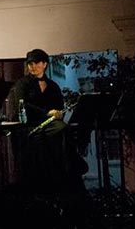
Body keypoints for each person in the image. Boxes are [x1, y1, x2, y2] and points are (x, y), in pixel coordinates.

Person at [10, 48, 87, 192]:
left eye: (36, 63)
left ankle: (69, 166)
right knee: (62, 128)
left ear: (44, 64)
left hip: (48, 125)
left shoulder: (53, 86)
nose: (33, 66)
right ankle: (75, 163)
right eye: (30, 64)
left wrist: (58, 113)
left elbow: (59, 107)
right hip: (29, 126)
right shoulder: (22, 84)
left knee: (64, 127)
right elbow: (23, 105)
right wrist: (47, 113)